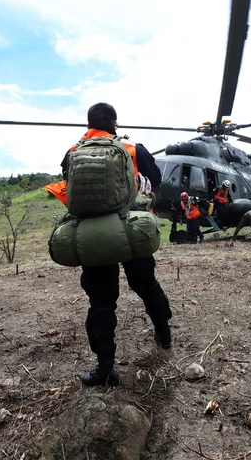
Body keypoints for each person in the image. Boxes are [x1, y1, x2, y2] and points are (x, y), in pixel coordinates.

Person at [60, 103, 173, 387]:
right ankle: (163, 332)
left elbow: (66, 186)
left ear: (88, 124)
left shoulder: (73, 152)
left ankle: (105, 369)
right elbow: (157, 180)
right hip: (131, 229)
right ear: (114, 123)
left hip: (93, 235)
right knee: (146, 284)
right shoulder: (133, 148)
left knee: (101, 301)